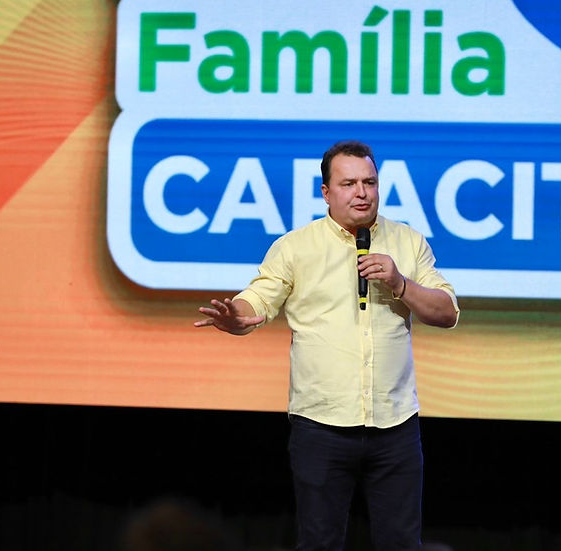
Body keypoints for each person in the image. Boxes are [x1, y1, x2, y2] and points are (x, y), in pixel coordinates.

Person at [195, 140, 460, 551]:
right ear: (326, 191)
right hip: (321, 426)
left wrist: (399, 283)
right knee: (319, 543)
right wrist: (237, 316)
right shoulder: (295, 247)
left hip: (395, 426)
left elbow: (447, 312)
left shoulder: (408, 242)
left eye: (369, 182)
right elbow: (258, 298)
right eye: (349, 184)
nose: (362, 193)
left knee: (403, 544)